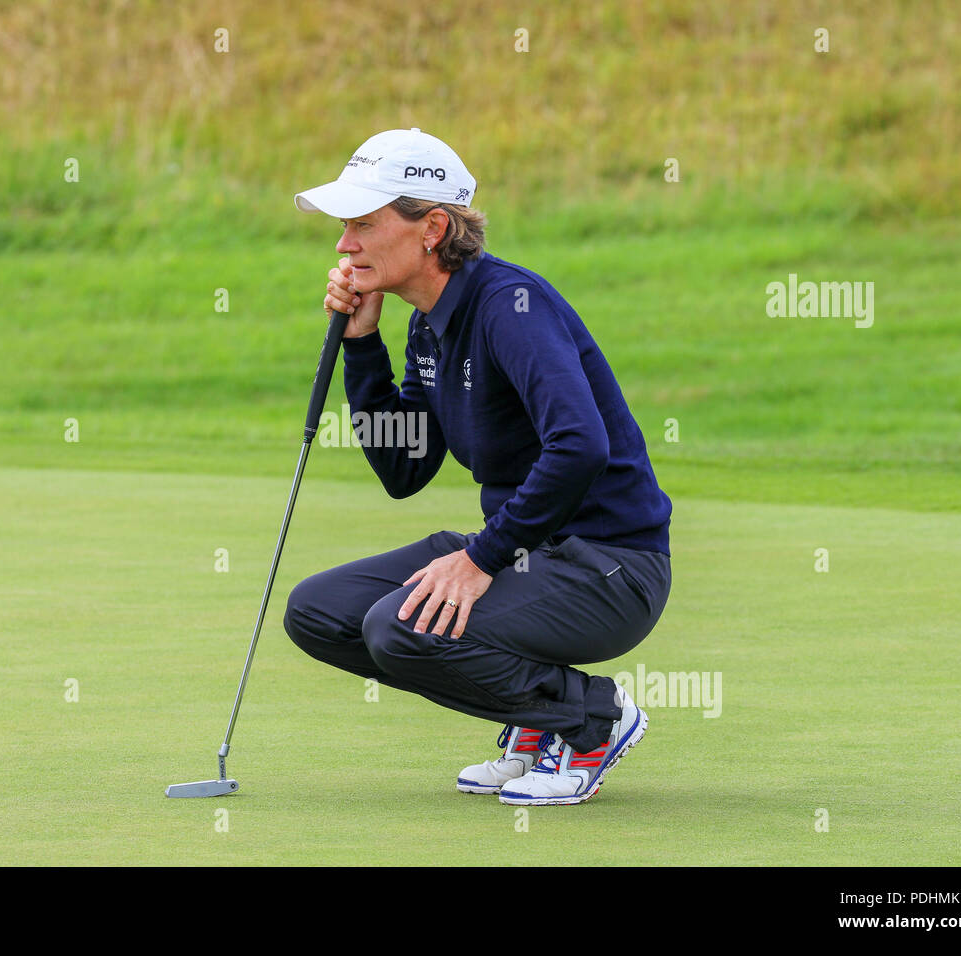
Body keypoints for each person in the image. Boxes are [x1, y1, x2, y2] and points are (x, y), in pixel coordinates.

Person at [285, 128, 672, 805]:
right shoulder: (428, 319)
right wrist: (362, 344)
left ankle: (589, 720)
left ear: (432, 228)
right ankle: (536, 718)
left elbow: (579, 445)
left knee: (397, 627)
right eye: (346, 227)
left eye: (363, 224)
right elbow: (405, 468)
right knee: (320, 612)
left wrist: (480, 559)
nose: (345, 244)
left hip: (609, 567)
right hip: (527, 553)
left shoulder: (510, 307)